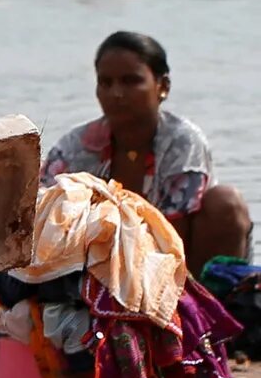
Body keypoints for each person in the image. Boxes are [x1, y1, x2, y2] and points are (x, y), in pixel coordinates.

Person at [42, 33, 252, 276]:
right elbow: (42, 218)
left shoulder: (183, 142)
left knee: (225, 202)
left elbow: (172, 237)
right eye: (106, 83)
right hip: (95, 268)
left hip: (180, 266)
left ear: (162, 87)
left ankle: (210, 306)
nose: (116, 93)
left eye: (130, 81)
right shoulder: (75, 147)